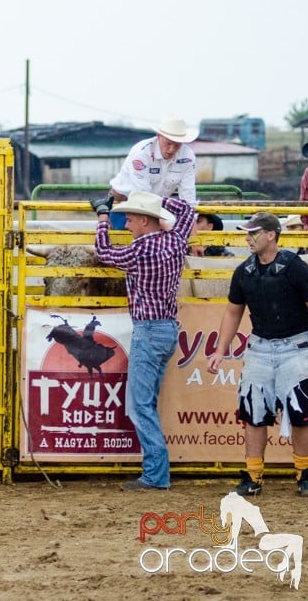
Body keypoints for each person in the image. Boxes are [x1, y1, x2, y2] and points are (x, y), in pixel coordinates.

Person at [91, 190, 195, 490]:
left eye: (132, 218)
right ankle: (155, 471)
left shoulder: (140, 250)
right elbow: (185, 209)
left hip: (149, 330)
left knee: (139, 405)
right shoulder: (175, 240)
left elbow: (104, 252)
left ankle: (155, 473)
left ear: (147, 222)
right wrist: (159, 198)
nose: (126, 223)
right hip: (167, 329)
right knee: (145, 402)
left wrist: (102, 216)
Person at [207, 212, 308, 498]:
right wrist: (220, 350)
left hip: (294, 345)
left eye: (253, 233)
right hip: (264, 345)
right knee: (255, 413)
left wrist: (221, 351)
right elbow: (233, 311)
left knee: (302, 413)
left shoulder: (294, 267)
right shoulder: (245, 270)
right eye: (247, 232)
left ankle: (304, 473)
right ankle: (255, 475)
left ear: (271, 235)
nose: (248, 238)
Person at [107, 114, 197, 230]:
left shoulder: (188, 157)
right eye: (168, 143)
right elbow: (141, 192)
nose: (172, 149)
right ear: (158, 136)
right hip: (124, 203)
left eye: (177, 145)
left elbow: (188, 192)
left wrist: (192, 223)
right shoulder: (141, 153)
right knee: (126, 239)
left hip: (157, 205)